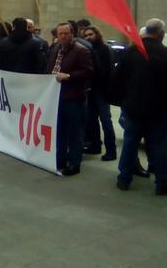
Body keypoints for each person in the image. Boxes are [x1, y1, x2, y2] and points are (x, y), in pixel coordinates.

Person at [111, 19, 167, 195]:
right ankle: (163, 183)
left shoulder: (130, 52)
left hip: (133, 107)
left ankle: (124, 179)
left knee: (130, 144)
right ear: (161, 34)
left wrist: (124, 101)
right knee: (159, 147)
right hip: (160, 110)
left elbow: (117, 79)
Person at [46, 22, 93, 176]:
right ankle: (60, 159)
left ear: (72, 34)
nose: (63, 36)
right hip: (56, 96)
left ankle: (74, 164)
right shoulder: (55, 48)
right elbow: (49, 67)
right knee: (60, 131)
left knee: (74, 132)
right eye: (60, 34)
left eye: (66, 33)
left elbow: (88, 72)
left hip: (74, 97)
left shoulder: (81, 51)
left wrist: (69, 76)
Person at [82, 26, 117, 161]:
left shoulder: (105, 49)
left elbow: (108, 71)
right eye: (85, 35)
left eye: (90, 34)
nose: (88, 37)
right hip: (91, 90)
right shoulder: (89, 49)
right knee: (91, 120)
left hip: (102, 91)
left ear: (96, 34)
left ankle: (111, 150)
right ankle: (95, 145)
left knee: (106, 121)